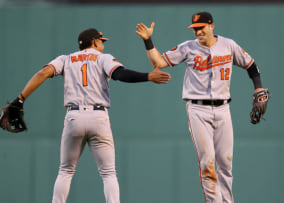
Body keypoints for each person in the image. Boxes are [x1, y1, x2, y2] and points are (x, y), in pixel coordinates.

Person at [4, 28, 171, 203]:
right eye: (101, 41)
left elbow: (42, 73)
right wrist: (148, 76)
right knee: (108, 173)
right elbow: (119, 74)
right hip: (98, 117)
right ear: (94, 41)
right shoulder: (102, 58)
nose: (102, 44)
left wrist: (21, 98)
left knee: (65, 171)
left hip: (74, 116)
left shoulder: (66, 59)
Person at [136, 11, 268, 203]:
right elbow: (158, 62)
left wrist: (259, 88)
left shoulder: (228, 45)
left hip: (223, 109)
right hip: (198, 110)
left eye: (201, 28)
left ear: (211, 26)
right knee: (207, 162)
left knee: (226, 164)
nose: (198, 32)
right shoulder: (188, 48)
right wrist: (148, 41)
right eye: (195, 29)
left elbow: (251, 65)